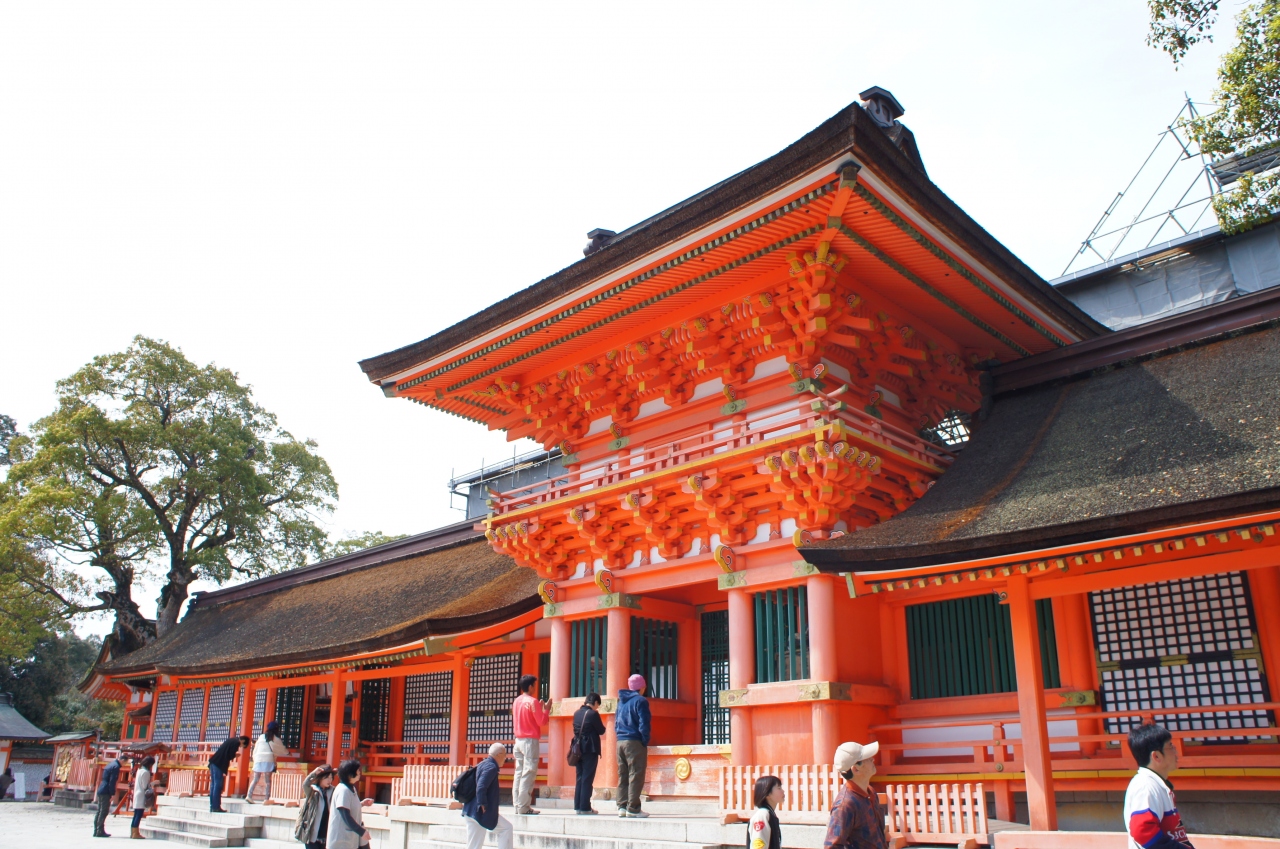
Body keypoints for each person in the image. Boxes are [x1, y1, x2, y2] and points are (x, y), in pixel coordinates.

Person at [1124, 723, 1193, 849]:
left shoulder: (1156, 784)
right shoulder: (1146, 786)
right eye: (1170, 746)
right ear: (1156, 756)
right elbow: (1142, 831)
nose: (1175, 751)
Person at [824, 741, 885, 848]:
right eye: (867, 758)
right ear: (856, 769)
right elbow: (832, 846)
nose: (872, 759)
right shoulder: (845, 805)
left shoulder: (870, 792)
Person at [511, 673, 550, 815]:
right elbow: (542, 722)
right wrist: (546, 709)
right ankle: (523, 806)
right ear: (530, 686)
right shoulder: (532, 702)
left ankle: (517, 804)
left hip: (518, 741)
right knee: (529, 772)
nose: (536, 687)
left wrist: (539, 709)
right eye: (535, 685)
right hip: (529, 741)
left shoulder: (517, 701)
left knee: (519, 773)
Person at [463, 742, 513, 849]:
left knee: (474, 845)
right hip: (479, 812)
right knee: (506, 828)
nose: (505, 758)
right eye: (504, 755)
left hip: (471, 810)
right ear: (499, 755)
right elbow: (481, 786)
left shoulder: (482, 764)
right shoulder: (491, 767)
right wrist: (483, 804)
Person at [615, 673, 651, 818]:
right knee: (635, 773)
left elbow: (616, 721)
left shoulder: (621, 701)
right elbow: (644, 723)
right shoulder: (641, 701)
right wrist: (644, 740)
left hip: (620, 741)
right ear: (641, 687)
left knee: (623, 774)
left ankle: (622, 806)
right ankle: (633, 808)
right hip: (634, 740)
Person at [571, 692, 606, 815]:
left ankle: (578, 806)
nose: (597, 707)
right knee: (587, 778)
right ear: (595, 702)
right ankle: (585, 807)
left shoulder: (576, 713)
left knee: (580, 777)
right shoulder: (593, 714)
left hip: (577, 749)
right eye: (598, 705)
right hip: (590, 749)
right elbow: (601, 730)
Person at [326, 759, 372, 849]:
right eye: (357, 771)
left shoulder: (352, 789)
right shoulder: (343, 790)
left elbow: (348, 806)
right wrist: (361, 831)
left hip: (350, 839)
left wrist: (361, 804)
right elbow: (345, 815)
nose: (359, 773)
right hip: (340, 840)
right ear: (350, 774)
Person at [295, 764, 336, 849]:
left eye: (331, 777)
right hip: (311, 832)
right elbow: (305, 784)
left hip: (326, 832)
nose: (330, 780)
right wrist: (313, 773)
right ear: (320, 778)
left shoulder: (333, 791)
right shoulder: (313, 791)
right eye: (327, 777)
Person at [246, 721, 289, 802]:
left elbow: (256, 748)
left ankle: (249, 796)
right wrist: (288, 753)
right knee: (268, 781)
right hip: (268, 760)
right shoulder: (276, 739)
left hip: (258, 759)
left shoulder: (261, 737)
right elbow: (281, 749)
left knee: (255, 779)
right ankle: (266, 798)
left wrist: (254, 758)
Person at [207, 735, 250, 813]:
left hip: (214, 762)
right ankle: (216, 807)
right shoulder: (236, 742)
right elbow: (230, 755)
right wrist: (235, 755)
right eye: (242, 745)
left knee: (213, 785)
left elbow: (226, 752)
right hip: (219, 764)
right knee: (218, 785)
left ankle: (212, 806)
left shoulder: (231, 739)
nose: (240, 747)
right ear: (243, 741)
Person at [93, 752, 128, 838]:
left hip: (102, 787)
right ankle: (99, 831)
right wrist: (112, 793)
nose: (124, 764)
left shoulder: (110, 764)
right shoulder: (116, 767)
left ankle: (96, 830)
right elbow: (112, 781)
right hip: (106, 790)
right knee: (104, 811)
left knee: (99, 811)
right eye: (124, 762)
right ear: (122, 760)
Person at [747, 774, 784, 849]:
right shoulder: (762, 816)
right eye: (779, 788)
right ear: (767, 794)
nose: (783, 791)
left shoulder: (769, 814)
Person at [130, 756, 155, 840]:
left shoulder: (139, 770)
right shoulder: (146, 772)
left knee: (136, 814)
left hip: (137, 793)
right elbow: (145, 786)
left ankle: (133, 832)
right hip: (141, 795)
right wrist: (153, 784)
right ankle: (135, 833)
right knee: (139, 814)